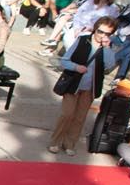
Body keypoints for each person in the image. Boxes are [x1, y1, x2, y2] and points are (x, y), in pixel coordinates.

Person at [48, 18, 114, 155]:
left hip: (90, 88)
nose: (103, 35)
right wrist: (76, 67)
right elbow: (65, 61)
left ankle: (70, 143)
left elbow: (109, 65)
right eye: (100, 31)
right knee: (67, 114)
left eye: (107, 33)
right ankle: (55, 141)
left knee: (80, 117)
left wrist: (107, 48)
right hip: (73, 84)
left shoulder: (107, 47)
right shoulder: (83, 40)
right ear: (95, 29)